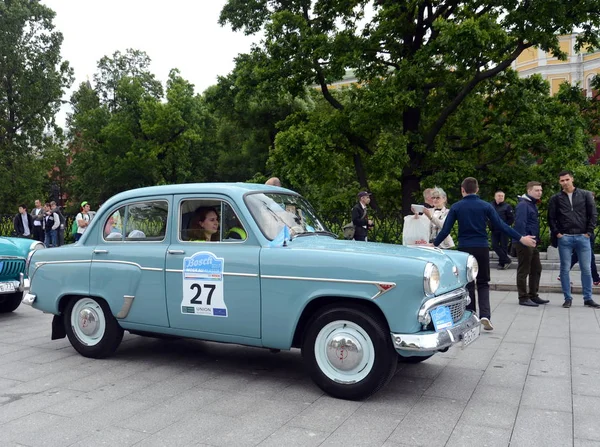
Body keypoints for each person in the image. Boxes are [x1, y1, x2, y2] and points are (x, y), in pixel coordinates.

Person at [433, 177, 537, 331]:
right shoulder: (486, 206)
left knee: (468, 284)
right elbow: (501, 225)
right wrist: (521, 238)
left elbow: (446, 230)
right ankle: (485, 316)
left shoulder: (456, 207)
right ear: (477, 189)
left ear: (462, 190)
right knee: (483, 282)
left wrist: (433, 244)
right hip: (481, 247)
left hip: (464, 250)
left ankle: (471, 316)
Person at [548, 171, 599, 309]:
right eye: (562, 180)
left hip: (583, 237)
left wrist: (588, 232)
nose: (564, 182)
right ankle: (567, 298)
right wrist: (557, 233)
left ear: (572, 179)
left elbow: (593, 214)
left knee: (586, 269)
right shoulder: (556, 198)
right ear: (559, 182)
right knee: (564, 269)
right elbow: (551, 218)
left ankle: (588, 298)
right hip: (565, 238)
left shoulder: (585, 194)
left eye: (567, 179)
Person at [513, 182, 548, 307]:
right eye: (536, 190)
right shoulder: (523, 205)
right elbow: (520, 223)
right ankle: (523, 297)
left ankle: (533, 295)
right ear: (529, 191)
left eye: (540, 190)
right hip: (524, 242)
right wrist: (522, 238)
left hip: (532, 242)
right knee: (524, 270)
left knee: (536, 268)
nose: (539, 192)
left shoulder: (531, 204)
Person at [490, 190, 515, 270]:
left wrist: (505, 226)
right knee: (494, 245)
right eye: (499, 196)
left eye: (502, 196)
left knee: (504, 246)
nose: (500, 197)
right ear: (495, 197)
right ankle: (507, 260)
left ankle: (502, 263)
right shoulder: (490, 206)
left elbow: (511, 219)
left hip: (504, 230)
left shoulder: (507, 206)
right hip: (494, 229)